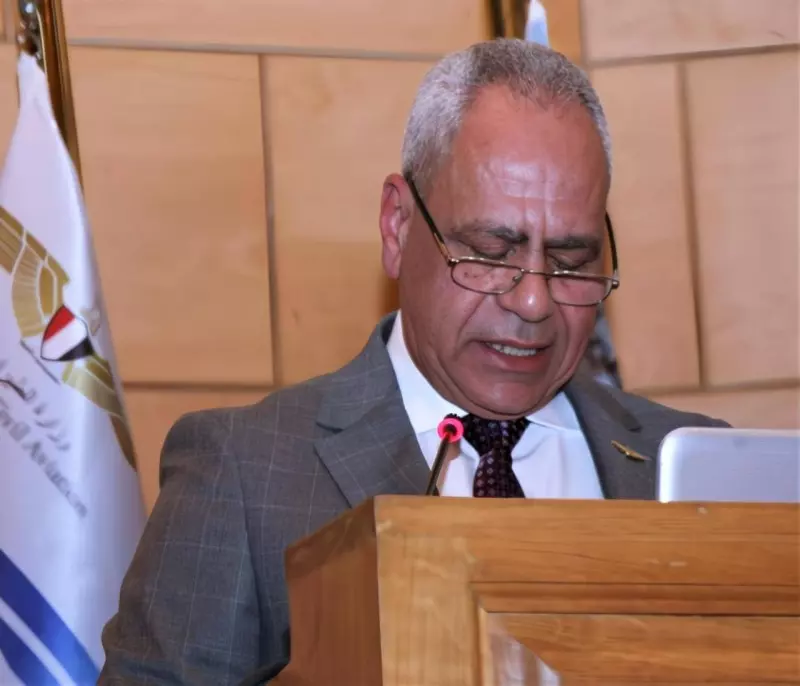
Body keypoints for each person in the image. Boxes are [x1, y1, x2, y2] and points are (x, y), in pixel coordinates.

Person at [99, 38, 727, 685]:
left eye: (571, 261)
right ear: (397, 226)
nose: (533, 301)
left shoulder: (692, 467)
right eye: (490, 253)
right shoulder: (246, 475)